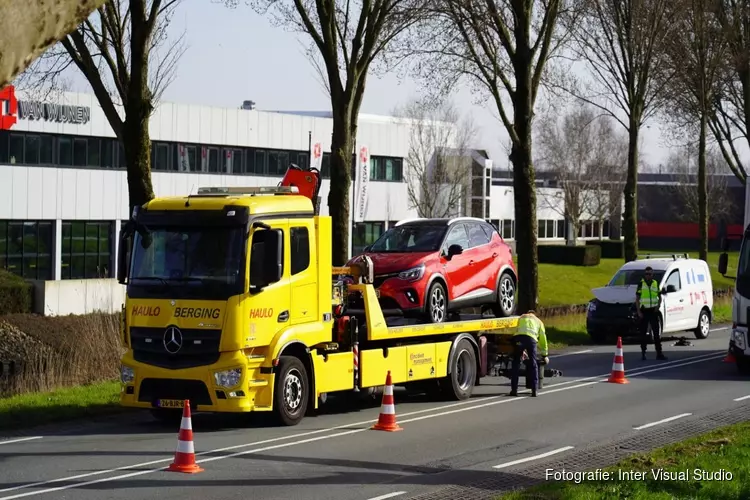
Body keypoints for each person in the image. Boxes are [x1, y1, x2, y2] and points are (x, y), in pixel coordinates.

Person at [509, 310, 548, 397]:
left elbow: (515, 330)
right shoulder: (538, 321)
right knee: (533, 364)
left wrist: (519, 348)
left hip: (519, 339)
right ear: (535, 314)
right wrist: (544, 354)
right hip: (531, 340)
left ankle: (514, 390)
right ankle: (534, 391)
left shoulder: (521, 317)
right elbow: (543, 338)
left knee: (516, 363)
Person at [636, 266, 667, 361]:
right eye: (646, 274)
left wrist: (658, 306)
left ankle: (659, 353)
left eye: (649, 274)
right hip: (644, 310)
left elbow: (660, 296)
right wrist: (639, 312)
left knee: (656, 333)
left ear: (652, 274)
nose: (648, 276)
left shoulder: (655, 283)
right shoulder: (641, 284)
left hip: (653, 311)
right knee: (643, 333)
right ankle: (643, 353)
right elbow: (637, 299)